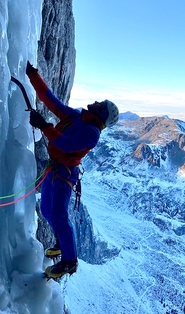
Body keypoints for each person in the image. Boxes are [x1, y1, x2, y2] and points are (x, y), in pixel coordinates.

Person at [25, 61, 119, 278]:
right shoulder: (79, 116)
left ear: (103, 113)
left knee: (58, 216)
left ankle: (69, 261)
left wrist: (44, 127)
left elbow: (67, 144)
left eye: (101, 104)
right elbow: (53, 102)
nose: (96, 102)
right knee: (48, 211)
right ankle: (61, 243)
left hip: (64, 175)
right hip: (56, 170)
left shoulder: (92, 132)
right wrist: (33, 76)